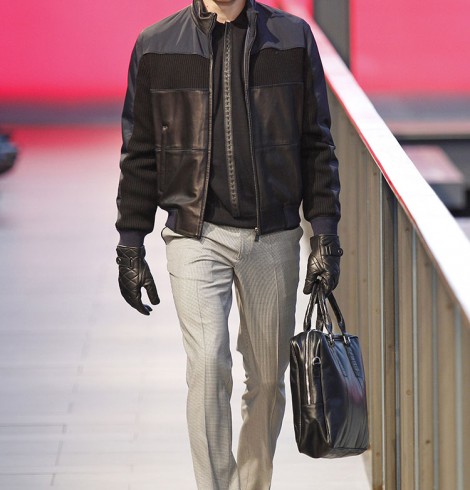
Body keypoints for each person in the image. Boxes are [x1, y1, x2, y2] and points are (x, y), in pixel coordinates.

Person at [115, 0, 342, 488]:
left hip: (273, 234)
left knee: (268, 380)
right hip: (194, 232)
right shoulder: (157, 45)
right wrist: (130, 244)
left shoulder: (291, 39)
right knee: (207, 365)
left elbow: (316, 144)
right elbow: (140, 152)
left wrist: (325, 233)